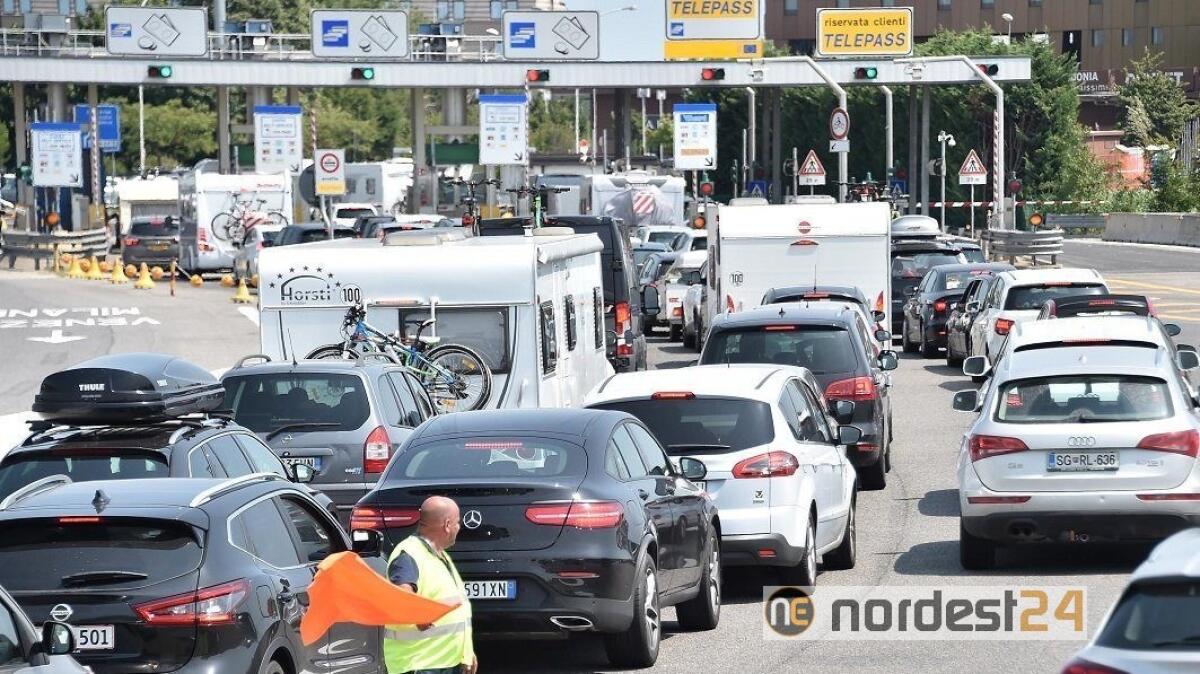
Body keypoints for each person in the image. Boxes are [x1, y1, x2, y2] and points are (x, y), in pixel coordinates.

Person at [385, 496, 477, 674]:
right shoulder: (409, 554)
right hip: (420, 665)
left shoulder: (438, 556)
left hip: (443, 662)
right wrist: (417, 612)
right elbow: (401, 593)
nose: (459, 528)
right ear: (447, 525)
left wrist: (466, 653)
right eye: (458, 523)